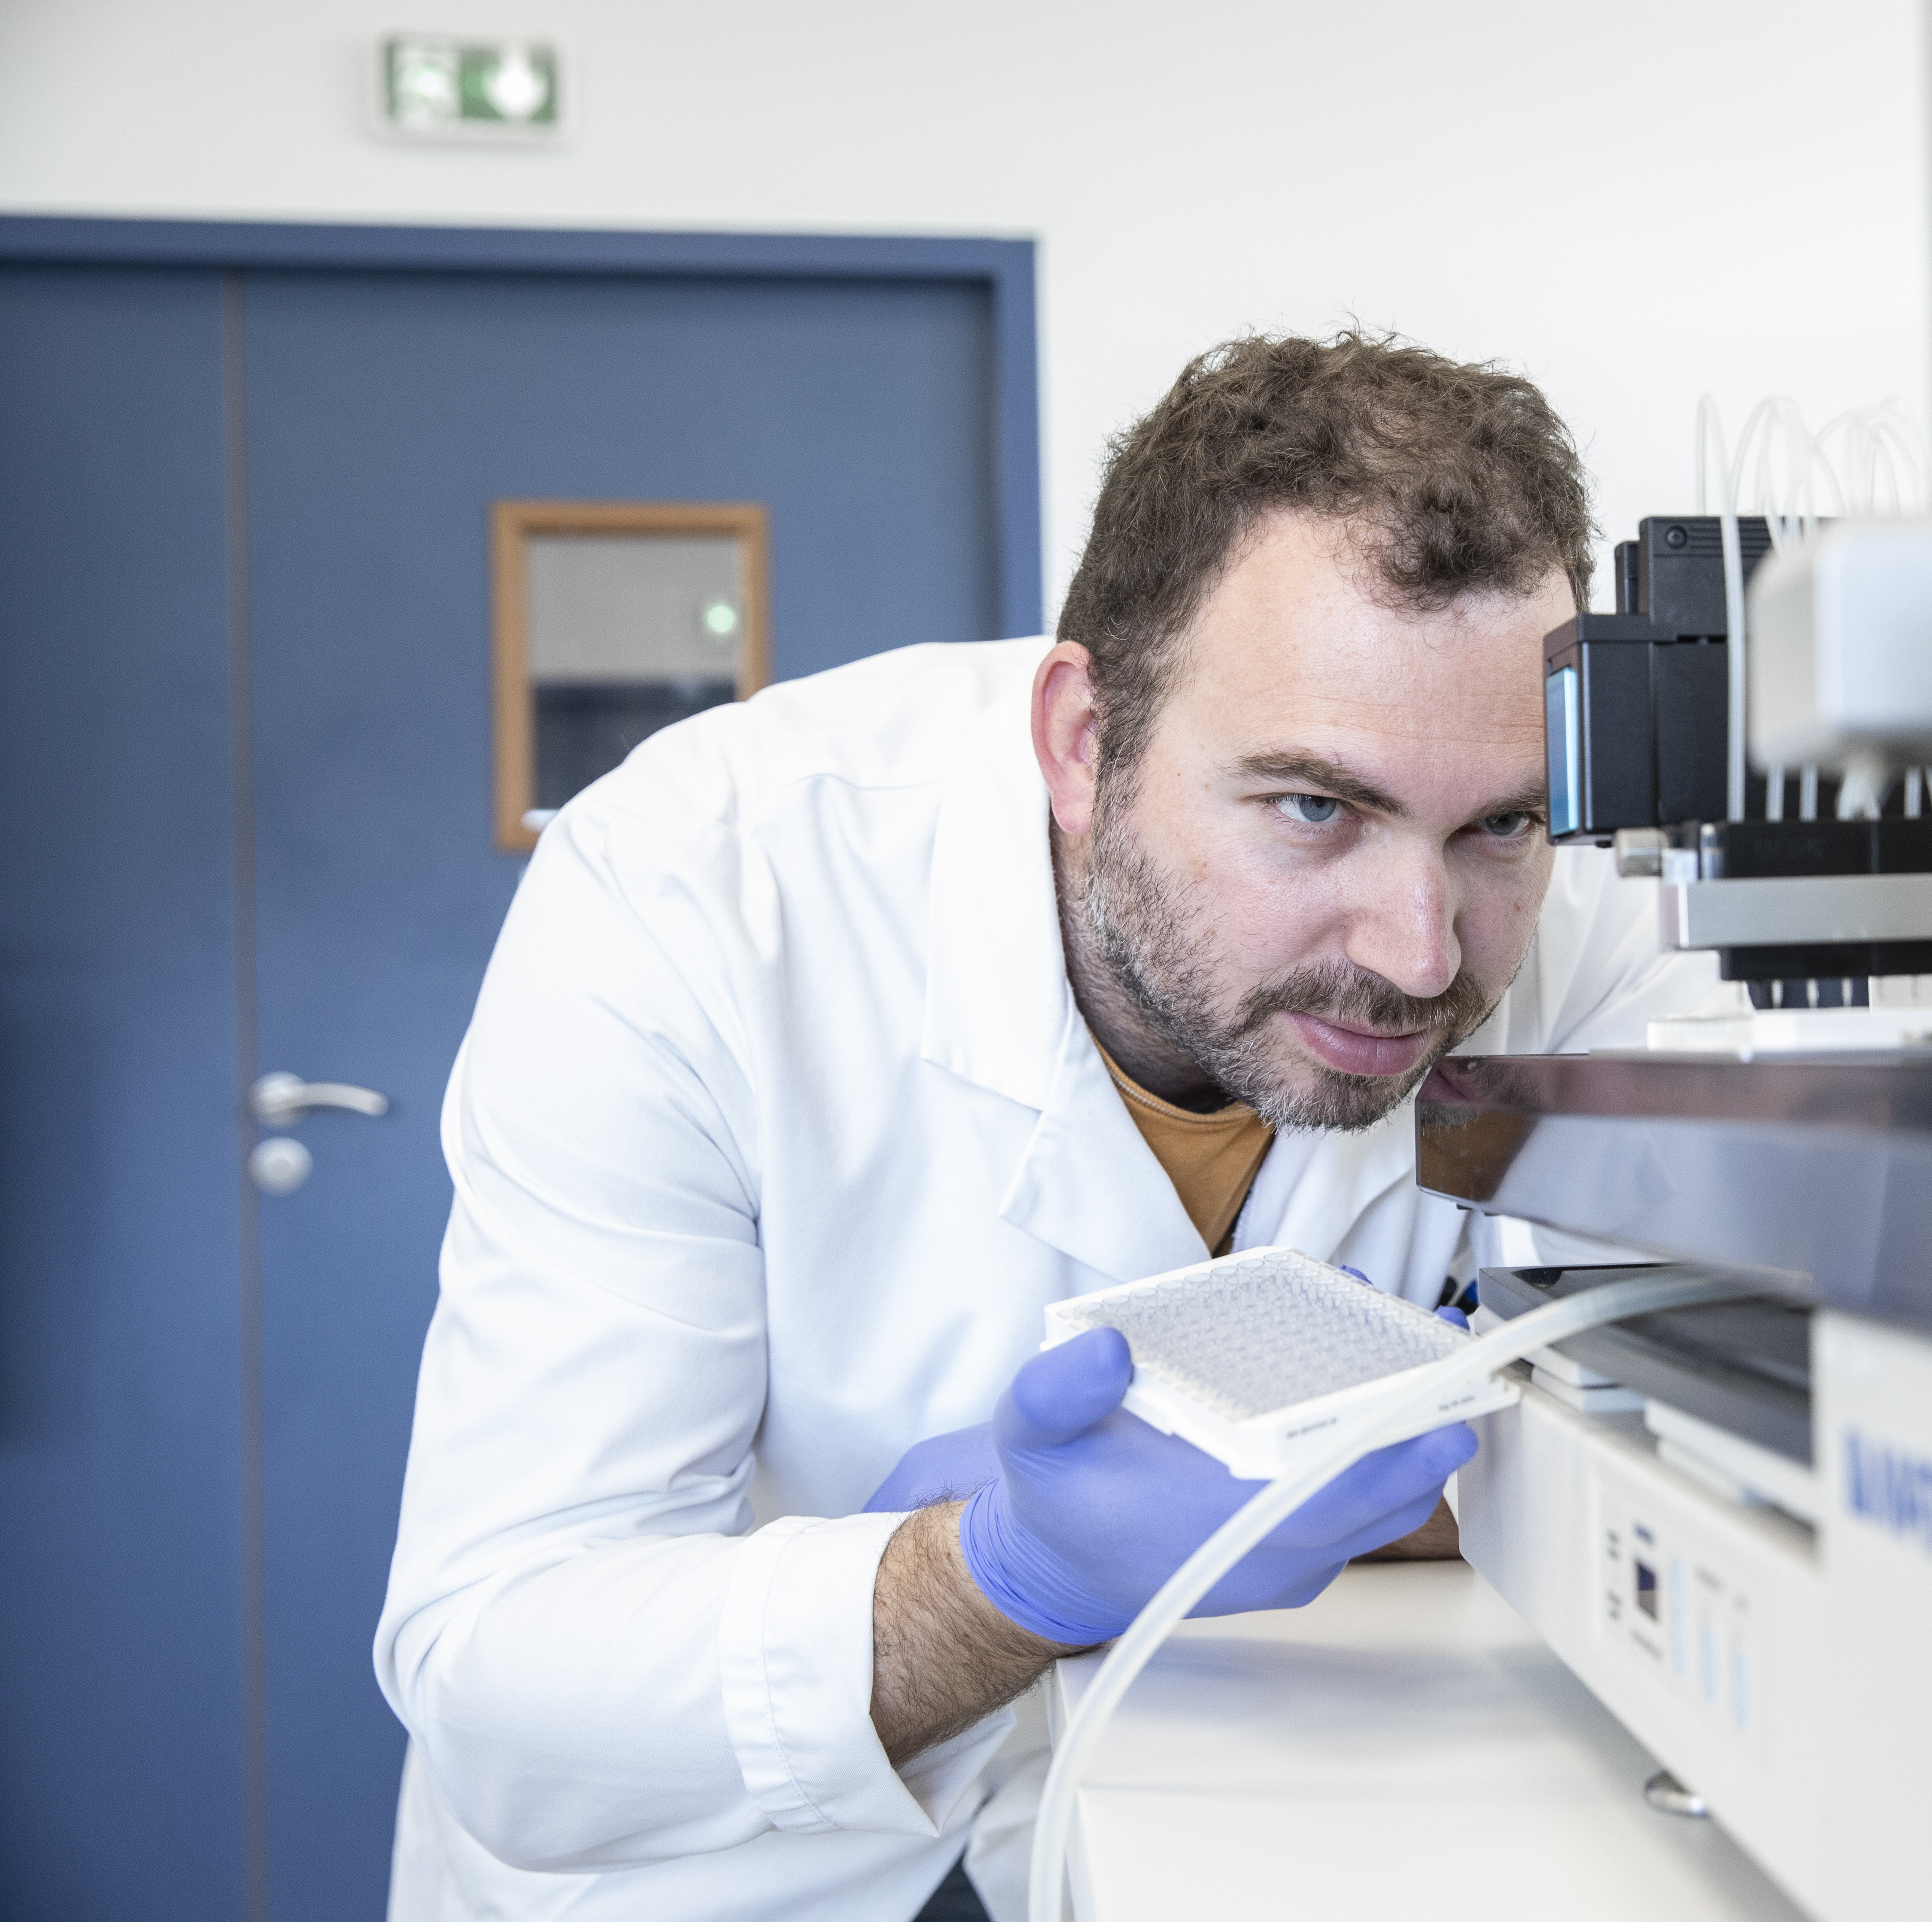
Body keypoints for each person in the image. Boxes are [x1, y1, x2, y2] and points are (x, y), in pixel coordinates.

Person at [372, 332, 1719, 1920]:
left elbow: (1676, 1428)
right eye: (1315, 810)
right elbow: (506, 1679)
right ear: (1084, 744)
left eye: (1498, 825)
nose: (1422, 954)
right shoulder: (697, 894)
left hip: (1254, 1837)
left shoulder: (1599, 918)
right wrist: (995, 1576)